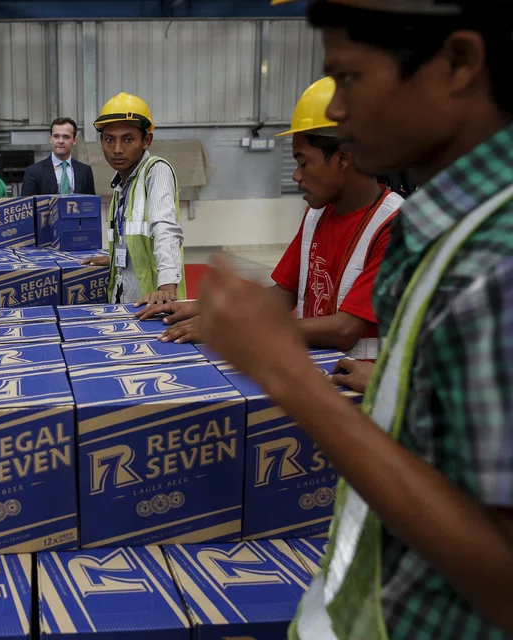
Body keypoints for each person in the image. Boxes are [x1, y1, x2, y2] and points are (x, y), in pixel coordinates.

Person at [197, 0, 513, 638]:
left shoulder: (496, 263)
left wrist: (289, 376)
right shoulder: (442, 232)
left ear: (458, 63)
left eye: (350, 77)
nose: (338, 110)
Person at [141, 77, 401, 360]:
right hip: (318, 371)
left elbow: (345, 329)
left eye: (304, 163)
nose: (296, 176)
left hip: (365, 384)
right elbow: (281, 295)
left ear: (344, 158)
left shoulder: (393, 227)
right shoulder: (317, 215)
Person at [81, 92, 185, 305]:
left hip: (154, 307)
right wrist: (115, 259)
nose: (117, 149)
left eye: (128, 139)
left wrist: (167, 288)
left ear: (146, 140)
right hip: (124, 302)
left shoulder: (156, 171)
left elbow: (165, 229)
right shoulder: (121, 185)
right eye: (109, 140)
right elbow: (134, 240)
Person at [20, 117, 96, 196]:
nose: (61, 141)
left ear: (74, 141)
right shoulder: (33, 172)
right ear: (50, 139)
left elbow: (91, 202)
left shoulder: (85, 171)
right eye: (56, 136)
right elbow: (27, 203)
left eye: (66, 137)